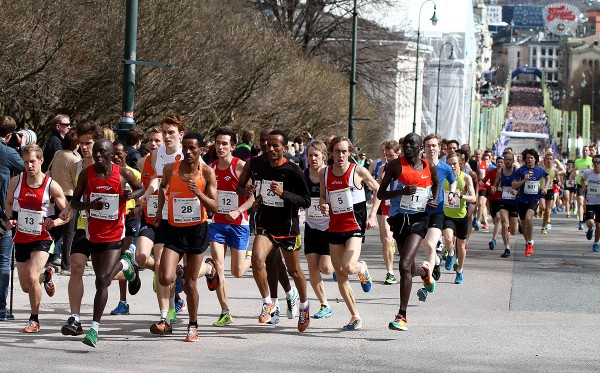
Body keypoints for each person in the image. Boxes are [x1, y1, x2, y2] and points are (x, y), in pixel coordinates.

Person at [66, 139, 144, 347]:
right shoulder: (86, 174)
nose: (98, 156)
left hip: (114, 234)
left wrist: (130, 196)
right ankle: (126, 265)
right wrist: (89, 204)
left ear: (111, 154)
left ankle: (94, 329)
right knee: (104, 279)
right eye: (95, 152)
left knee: (102, 280)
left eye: (103, 153)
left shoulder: (122, 173)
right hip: (94, 234)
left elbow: (141, 189)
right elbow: (73, 202)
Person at [244, 130, 311, 332]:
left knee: (294, 271)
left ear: (284, 147)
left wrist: (284, 194)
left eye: (276, 146)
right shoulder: (260, 167)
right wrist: (256, 201)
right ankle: (268, 303)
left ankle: (304, 306)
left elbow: (306, 201)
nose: (271, 149)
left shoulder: (293, 170)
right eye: (268, 145)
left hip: (288, 228)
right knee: (257, 259)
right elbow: (259, 192)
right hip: (266, 224)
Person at [155, 131, 219, 342]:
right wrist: (158, 211)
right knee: (164, 277)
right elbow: (163, 188)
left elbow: (215, 207)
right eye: (186, 148)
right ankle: (180, 271)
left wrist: (199, 194)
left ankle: (193, 325)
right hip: (174, 228)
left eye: (193, 148)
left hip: (196, 231)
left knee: (191, 284)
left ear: (201, 150)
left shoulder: (207, 172)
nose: (189, 152)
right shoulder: (170, 168)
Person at [5, 145, 69, 332]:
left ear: (41, 160)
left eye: (32, 161)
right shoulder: (16, 182)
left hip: (43, 237)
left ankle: (34, 319)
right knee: (26, 286)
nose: (29, 165)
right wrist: (9, 219)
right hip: (22, 236)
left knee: (32, 278)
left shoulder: (51, 185)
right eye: (26, 162)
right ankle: (46, 275)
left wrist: (55, 222)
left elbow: (67, 213)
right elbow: (9, 203)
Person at [378, 133, 439, 331]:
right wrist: (400, 192)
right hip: (399, 221)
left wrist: (434, 200)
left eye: (412, 143)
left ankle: (402, 315)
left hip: (418, 221)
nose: (407, 146)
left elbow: (436, 183)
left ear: (420, 147)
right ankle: (424, 271)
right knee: (410, 268)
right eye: (405, 144)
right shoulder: (395, 165)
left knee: (403, 265)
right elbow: (381, 193)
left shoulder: (429, 166)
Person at [236, 127, 295, 325]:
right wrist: (247, 189)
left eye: (270, 142)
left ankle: (287, 293)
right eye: (262, 141)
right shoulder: (253, 163)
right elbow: (239, 187)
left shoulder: (287, 165)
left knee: (276, 261)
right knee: (269, 260)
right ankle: (273, 303)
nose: (265, 145)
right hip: (263, 217)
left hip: (284, 220)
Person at [322, 136, 379, 331]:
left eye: (344, 151)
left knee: (348, 266)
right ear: (331, 152)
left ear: (350, 152)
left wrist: (372, 215)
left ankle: (361, 268)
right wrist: (323, 205)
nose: (341, 155)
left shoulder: (359, 171)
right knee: (340, 274)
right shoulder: (325, 173)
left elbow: (379, 190)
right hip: (335, 226)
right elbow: (324, 197)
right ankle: (355, 316)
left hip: (354, 225)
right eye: (337, 151)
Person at [137, 115, 187, 334]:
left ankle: (210, 269)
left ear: (180, 135)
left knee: (189, 273)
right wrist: (148, 193)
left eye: (171, 133)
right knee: (154, 262)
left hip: (181, 218)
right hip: (159, 216)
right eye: (164, 132)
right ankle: (164, 317)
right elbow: (157, 179)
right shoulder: (156, 155)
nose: (166, 137)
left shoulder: (187, 154)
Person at [208, 128, 254, 327]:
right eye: (218, 143)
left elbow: (253, 197)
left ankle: (249, 259)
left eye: (225, 144)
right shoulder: (210, 168)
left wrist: (238, 210)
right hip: (218, 223)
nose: (220, 147)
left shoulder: (241, 166)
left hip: (238, 223)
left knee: (236, 271)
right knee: (218, 265)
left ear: (233, 146)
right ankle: (225, 310)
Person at [59, 120, 101, 336]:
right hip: (84, 225)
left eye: (89, 143)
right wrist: (68, 209)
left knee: (106, 276)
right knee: (76, 267)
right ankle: (75, 318)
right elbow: (77, 195)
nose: (85, 147)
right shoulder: (77, 166)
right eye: (82, 143)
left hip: (106, 227)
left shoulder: (108, 165)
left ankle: (128, 268)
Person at [416, 134, 456, 301]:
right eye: (428, 146)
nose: (431, 149)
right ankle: (436, 263)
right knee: (425, 247)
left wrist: (452, 193)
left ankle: (427, 283)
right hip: (418, 211)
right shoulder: (418, 166)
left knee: (431, 246)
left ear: (440, 148)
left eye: (434, 146)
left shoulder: (445, 167)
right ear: (423, 148)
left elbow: (452, 181)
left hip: (437, 211)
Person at [109, 140, 142, 316]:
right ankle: (123, 302)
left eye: (119, 153)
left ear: (125, 154)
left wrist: (136, 206)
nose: (115, 156)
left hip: (130, 220)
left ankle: (174, 294)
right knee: (121, 260)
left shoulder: (133, 173)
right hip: (114, 220)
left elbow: (142, 192)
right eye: (113, 153)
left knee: (128, 256)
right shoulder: (108, 173)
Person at [303, 141, 333, 319]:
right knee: (313, 267)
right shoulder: (304, 175)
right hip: (311, 225)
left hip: (330, 227)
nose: (313, 159)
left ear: (324, 156)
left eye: (316, 155)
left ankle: (357, 266)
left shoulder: (330, 174)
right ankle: (324, 304)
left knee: (327, 268)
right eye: (310, 155)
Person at [0, 116, 26, 321]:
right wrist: (22, 147)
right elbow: (28, 168)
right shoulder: (8, 152)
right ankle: (1, 308)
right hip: (3, 213)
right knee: (3, 261)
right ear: (9, 135)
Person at [442, 153, 476, 284]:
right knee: (448, 237)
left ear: (460, 164)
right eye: (449, 164)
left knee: (461, 246)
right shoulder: (444, 178)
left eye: (454, 164)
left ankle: (460, 271)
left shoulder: (466, 178)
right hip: (447, 214)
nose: (452, 166)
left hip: (461, 216)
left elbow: (473, 198)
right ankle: (450, 254)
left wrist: (461, 196)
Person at [512, 149, 551, 257]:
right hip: (521, 200)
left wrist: (546, 188)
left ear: (535, 159)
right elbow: (514, 185)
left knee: (529, 218)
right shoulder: (520, 171)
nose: (530, 160)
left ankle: (530, 242)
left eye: (532, 158)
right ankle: (527, 243)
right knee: (524, 224)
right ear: (525, 159)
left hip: (534, 199)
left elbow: (548, 177)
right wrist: (523, 180)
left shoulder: (539, 170)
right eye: (528, 158)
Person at [377, 141, 400, 285]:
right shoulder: (382, 169)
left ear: (398, 154)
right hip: (386, 208)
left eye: (391, 155)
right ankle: (390, 272)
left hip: (401, 209)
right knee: (386, 239)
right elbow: (380, 190)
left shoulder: (405, 168)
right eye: (386, 155)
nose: (388, 158)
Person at [494, 152, 520, 258]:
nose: (508, 161)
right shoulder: (500, 172)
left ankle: (517, 223)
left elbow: (521, 184)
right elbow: (495, 184)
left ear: (513, 161)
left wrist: (517, 191)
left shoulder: (516, 171)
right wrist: (493, 188)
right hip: (504, 201)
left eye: (510, 160)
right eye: (506, 159)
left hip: (514, 202)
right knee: (504, 223)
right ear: (504, 160)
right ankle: (507, 248)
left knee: (514, 231)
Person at [539, 153, 563, 234]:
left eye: (550, 159)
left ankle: (543, 227)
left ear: (553, 160)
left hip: (550, 190)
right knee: (542, 207)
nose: (549, 160)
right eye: (547, 159)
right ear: (545, 160)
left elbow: (559, 181)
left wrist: (558, 183)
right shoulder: (541, 169)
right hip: (542, 190)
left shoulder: (555, 170)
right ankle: (540, 211)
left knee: (548, 210)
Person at [581, 154, 600, 251]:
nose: (596, 164)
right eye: (595, 162)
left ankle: (596, 243)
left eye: (598, 162)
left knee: (599, 225)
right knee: (591, 222)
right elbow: (582, 180)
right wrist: (584, 187)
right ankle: (590, 229)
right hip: (590, 203)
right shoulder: (588, 172)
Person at [570, 146, 592, 230]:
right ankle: (580, 221)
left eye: (586, 150)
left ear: (589, 152)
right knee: (580, 202)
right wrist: (571, 179)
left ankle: (586, 216)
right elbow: (574, 171)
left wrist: (591, 168)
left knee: (586, 204)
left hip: (590, 184)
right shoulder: (578, 161)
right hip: (580, 183)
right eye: (583, 150)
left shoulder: (592, 160)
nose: (585, 151)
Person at [484, 156, 503, 250]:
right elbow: (483, 182)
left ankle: (493, 240)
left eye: (501, 162)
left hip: (503, 198)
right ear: (495, 163)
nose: (500, 164)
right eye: (498, 162)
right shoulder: (491, 172)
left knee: (499, 218)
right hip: (493, 199)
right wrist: (490, 187)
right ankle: (501, 228)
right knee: (496, 221)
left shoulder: (507, 173)